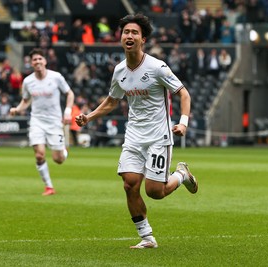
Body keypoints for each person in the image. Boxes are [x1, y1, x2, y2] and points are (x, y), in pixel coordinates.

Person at [75, 13, 198, 249]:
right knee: (129, 184)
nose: (129, 36)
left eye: (134, 33)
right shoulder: (119, 70)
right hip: (133, 136)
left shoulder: (157, 67)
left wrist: (183, 122)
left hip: (158, 136)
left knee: (155, 192)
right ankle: (147, 237)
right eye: (126, 32)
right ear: (121, 38)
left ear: (143, 40)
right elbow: (112, 101)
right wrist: (89, 116)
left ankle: (181, 175)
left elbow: (184, 93)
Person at [10, 48, 74, 196]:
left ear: (45, 61)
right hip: (37, 121)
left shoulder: (56, 77)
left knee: (58, 159)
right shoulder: (28, 81)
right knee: (39, 155)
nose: (37, 61)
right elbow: (26, 101)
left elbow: (69, 93)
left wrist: (68, 112)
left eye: (40, 59)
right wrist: (17, 109)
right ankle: (49, 187)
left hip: (54, 122)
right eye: (34, 60)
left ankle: (64, 150)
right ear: (31, 63)